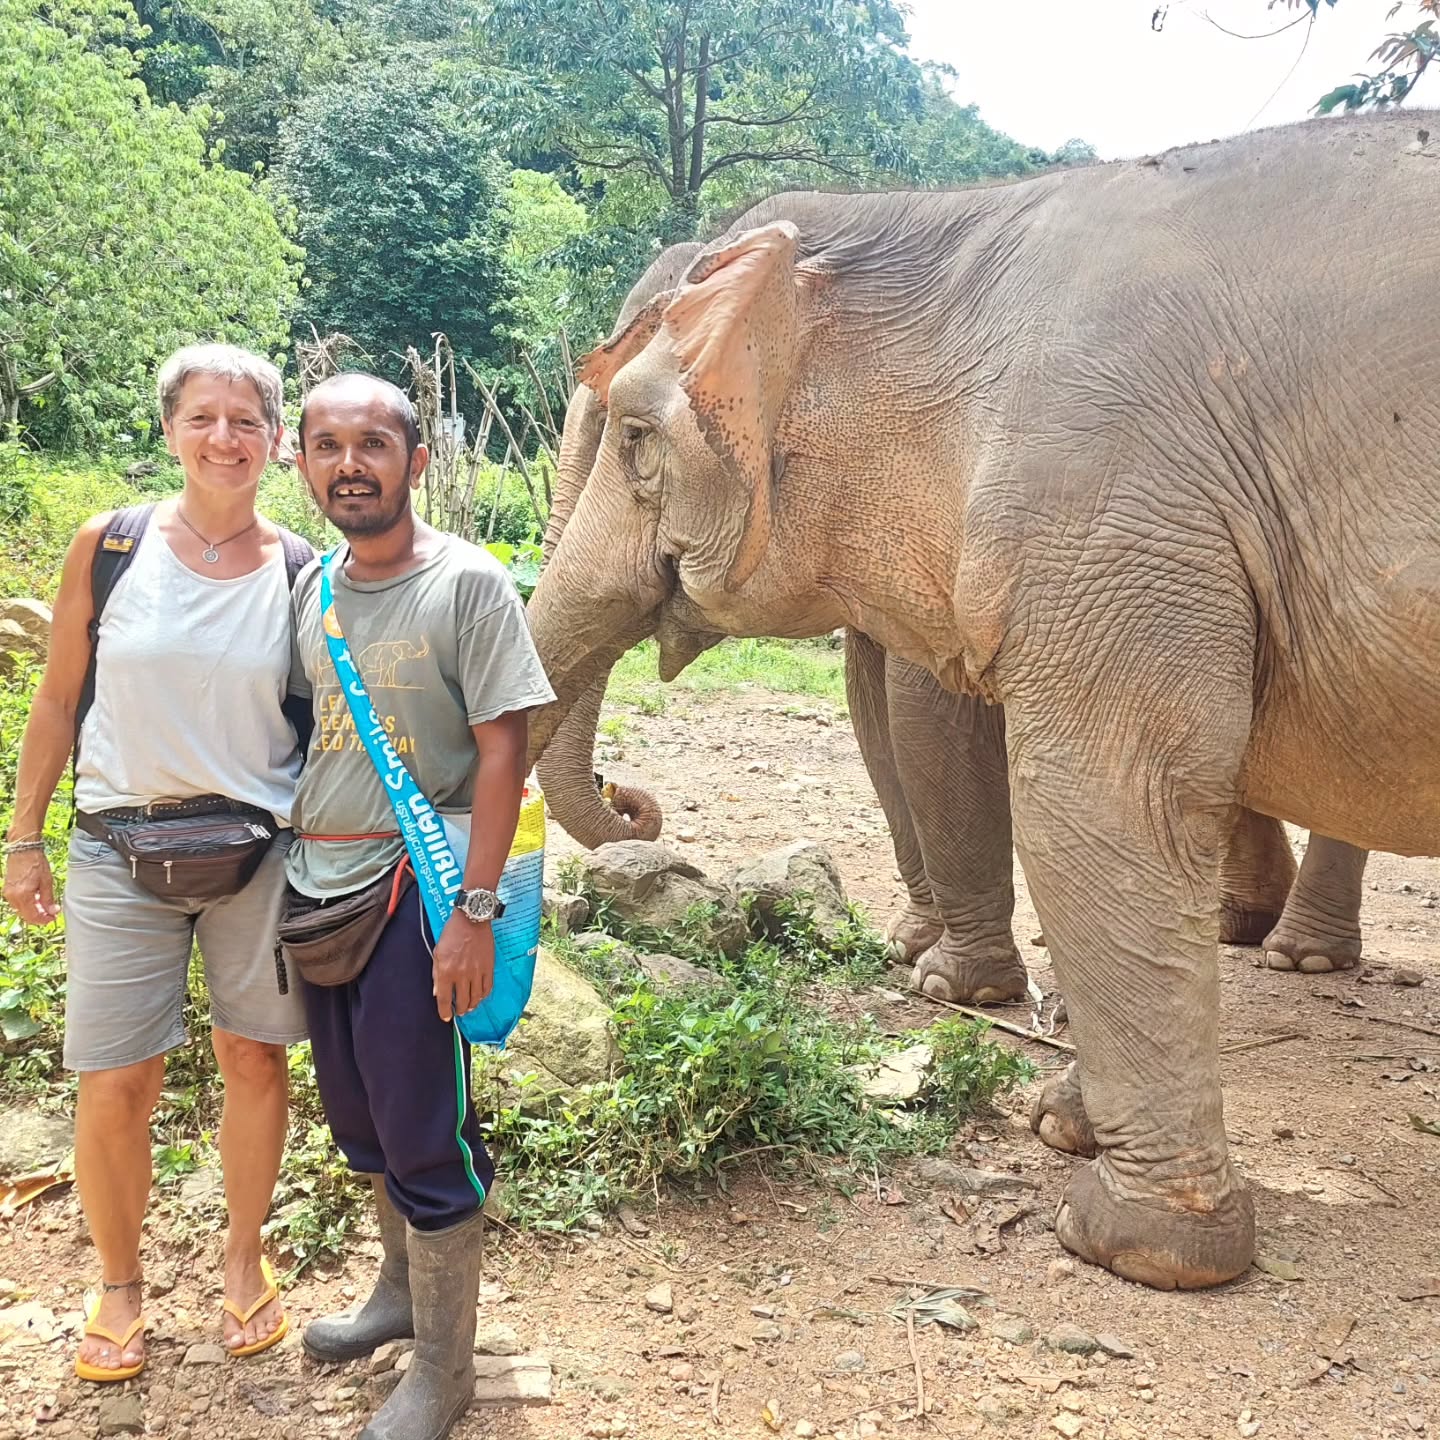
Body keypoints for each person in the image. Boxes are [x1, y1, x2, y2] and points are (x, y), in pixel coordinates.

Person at [0, 344, 313, 1381]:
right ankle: (120, 1285)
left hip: (257, 852)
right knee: (115, 1074)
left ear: (275, 438)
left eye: (247, 420)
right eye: (203, 418)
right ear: (170, 428)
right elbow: (57, 699)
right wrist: (24, 835)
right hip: (114, 845)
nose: (225, 438)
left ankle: (243, 1263)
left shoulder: (301, 569)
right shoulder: (110, 546)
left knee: (254, 1058)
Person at [286, 372, 554, 1440]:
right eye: (327, 445)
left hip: (417, 889)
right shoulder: (314, 589)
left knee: (425, 1126)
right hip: (320, 890)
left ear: (418, 460)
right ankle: (397, 1295)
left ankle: (444, 1371)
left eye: (374, 444)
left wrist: (472, 915)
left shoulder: (468, 583)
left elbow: (504, 752)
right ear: (302, 462)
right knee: (361, 1118)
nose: (350, 465)